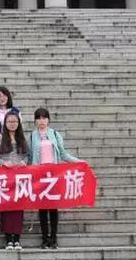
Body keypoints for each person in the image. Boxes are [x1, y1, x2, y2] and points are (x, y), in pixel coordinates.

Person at [30, 107, 81, 250]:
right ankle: (44, 239)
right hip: (40, 175)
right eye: (39, 118)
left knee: (53, 207)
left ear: (48, 120)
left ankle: (53, 238)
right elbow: (31, 155)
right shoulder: (33, 136)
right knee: (42, 208)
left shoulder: (55, 134)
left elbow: (63, 154)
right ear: (35, 121)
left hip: (54, 174)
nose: (42, 121)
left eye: (44, 118)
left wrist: (79, 162)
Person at [0, 111, 29, 251]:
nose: (12, 124)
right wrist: (3, 163)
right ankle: (8, 239)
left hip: (20, 177)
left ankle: (17, 239)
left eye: (15, 121)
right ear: (5, 123)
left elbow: (27, 155)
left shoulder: (22, 138)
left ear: (18, 123)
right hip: (5, 177)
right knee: (7, 207)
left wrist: (24, 162)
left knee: (18, 208)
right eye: (9, 121)